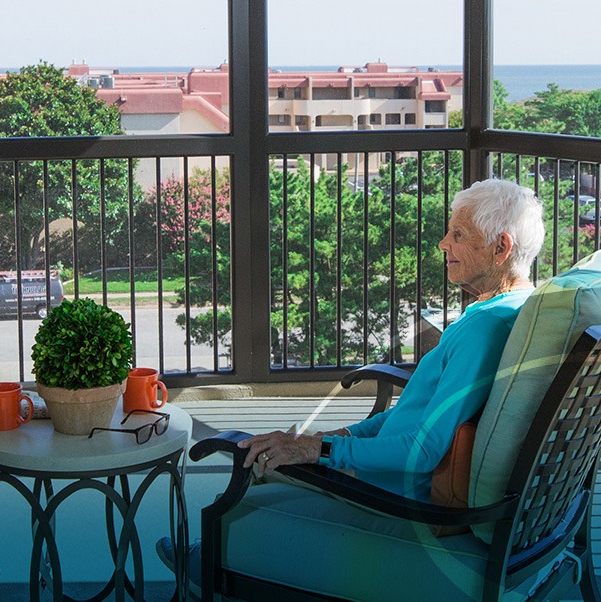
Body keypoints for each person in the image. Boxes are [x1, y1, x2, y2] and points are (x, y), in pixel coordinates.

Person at [161, 178, 546, 573]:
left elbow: (420, 451)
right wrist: (332, 439)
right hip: (390, 470)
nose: (443, 243)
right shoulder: (510, 311)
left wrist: (320, 452)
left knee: (252, 458)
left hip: (392, 490)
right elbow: (408, 417)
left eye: (459, 234)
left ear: (501, 247)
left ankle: (211, 563)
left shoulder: (481, 331)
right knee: (280, 448)